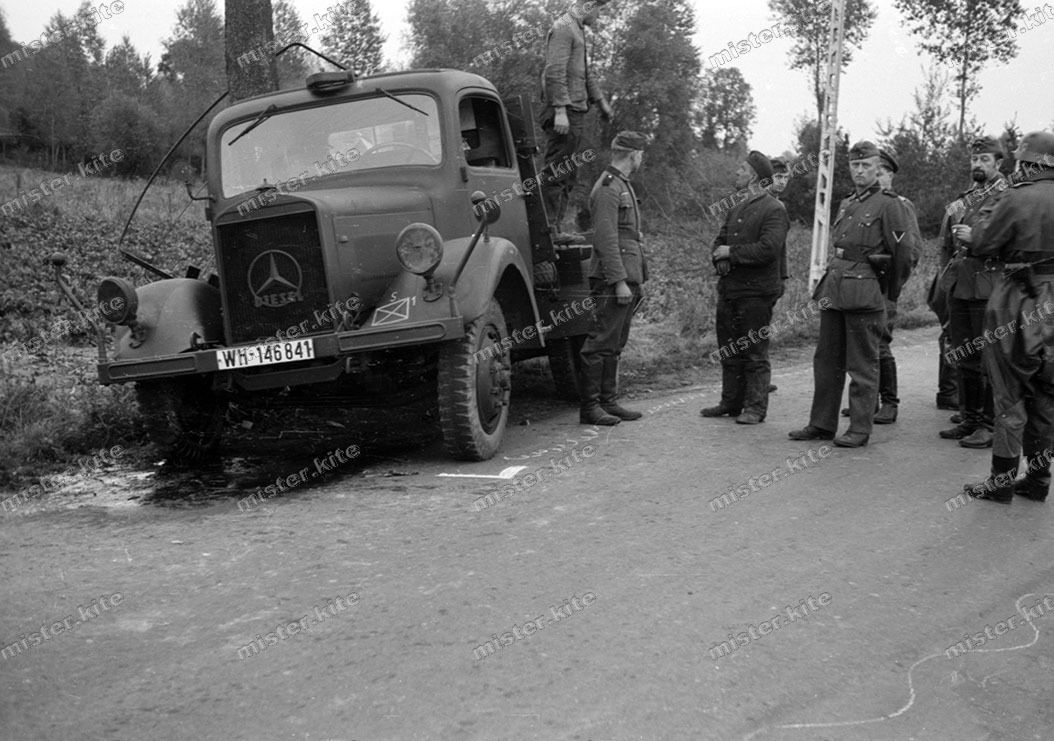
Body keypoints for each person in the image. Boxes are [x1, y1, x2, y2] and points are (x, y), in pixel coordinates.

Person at [789, 141, 914, 447]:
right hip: (835, 289)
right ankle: (821, 424)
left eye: (866, 166)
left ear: (877, 169)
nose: (860, 170)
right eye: (855, 165)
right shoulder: (847, 203)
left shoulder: (890, 204)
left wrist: (886, 292)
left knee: (862, 364)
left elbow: (903, 255)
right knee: (827, 360)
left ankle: (859, 428)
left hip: (865, 292)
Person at [964, 131, 1054, 503]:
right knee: (1046, 394)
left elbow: (983, 242)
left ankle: (1001, 483)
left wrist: (971, 235)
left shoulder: (1015, 196)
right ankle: (1037, 481)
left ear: (1026, 161)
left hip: (1018, 297)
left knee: (1008, 392)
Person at [700, 152, 790, 424]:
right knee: (728, 348)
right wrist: (721, 259)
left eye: (741, 169)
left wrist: (732, 253)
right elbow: (719, 241)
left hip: (757, 293)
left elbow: (769, 249)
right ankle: (731, 402)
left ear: (753, 176)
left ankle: (755, 407)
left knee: (754, 352)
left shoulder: (774, 209)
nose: (736, 173)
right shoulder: (736, 206)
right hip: (730, 289)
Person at [936, 136, 1010, 449]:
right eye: (974, 160)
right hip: (961, 284)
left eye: (984, 160)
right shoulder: (966, 197)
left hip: (988, 285)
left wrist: (976, 237)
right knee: (963, 354)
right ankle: (969, 417)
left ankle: (989, 425)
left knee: (988, 357)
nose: (977, 165)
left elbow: (1009, 238)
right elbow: (946, 241)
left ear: (998, 163)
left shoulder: (1008, 197)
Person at [578, 131, 648, 426]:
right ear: (634, 155)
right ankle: (590, 407)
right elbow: (606, 238)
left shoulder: (621, 185)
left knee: (615, 342)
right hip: (611, 277)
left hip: (625, 274)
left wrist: (636, 279)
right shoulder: (608, 187)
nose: (642, 158)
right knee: (600, 341)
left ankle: (607, 401)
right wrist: (619, 280)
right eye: (641, 154)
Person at [540, 0, 613, 232]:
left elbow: (583, 73)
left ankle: (556, 228)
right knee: (557, 171)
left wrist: (601, 102)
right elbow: (554, 70)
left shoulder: (576, 29)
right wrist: (560, 109)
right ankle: (548, 229)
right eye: (599, 9)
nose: (600, 15)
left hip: (575, 111)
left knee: (568, 173)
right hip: (566, 113)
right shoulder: (564, 27)